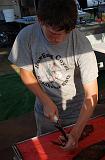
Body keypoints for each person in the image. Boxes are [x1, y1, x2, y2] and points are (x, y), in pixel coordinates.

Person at [8, 0, 98, 150]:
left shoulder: (81, 44)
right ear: (40, 20)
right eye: (51, 33)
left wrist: (75, 133)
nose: (57, 39)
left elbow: (91, 94)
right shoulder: (27, 36)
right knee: (47, 151)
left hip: (76, 114)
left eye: (63, 34)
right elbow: (25, 72)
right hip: (45, 113)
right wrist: (45, 101)